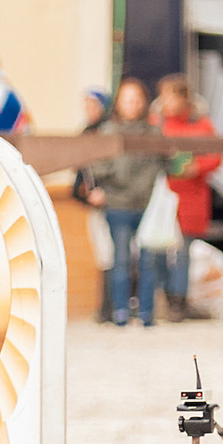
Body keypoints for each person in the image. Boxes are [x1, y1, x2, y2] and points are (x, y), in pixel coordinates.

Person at [86, 75, 167, 327]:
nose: (132, 104)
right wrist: (104, 189)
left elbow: (165, 164)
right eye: (127, 99)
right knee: (120, 260)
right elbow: (97, 166)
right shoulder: (107, 132)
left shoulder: (154, 133)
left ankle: (146, 312)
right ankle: (120, 311)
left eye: (136, 99)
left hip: (147, 205)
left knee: (148, 261)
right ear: (119, 103)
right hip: (118, 204)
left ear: (143, 102)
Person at [155, 73, 222, 323]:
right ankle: (166, 298)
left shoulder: (201, 125)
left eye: (169, 97)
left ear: (184, 98)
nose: (165, 103)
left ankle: (179, 303)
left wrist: (197, 166)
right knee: (159, 248)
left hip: (191, 198)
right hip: (163, 198)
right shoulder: (157, 124)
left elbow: (216, 156)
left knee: (183, 252)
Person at [68, 87, 112, 325]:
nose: (89, 111)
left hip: (112, 202)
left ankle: (114, 306)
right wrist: (83, 195)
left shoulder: (109, 132)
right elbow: (80, 174)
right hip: (93, 203)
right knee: (103, 255)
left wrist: (106, 193)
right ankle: (105, 307)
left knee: (116, 255)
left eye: (93, 106)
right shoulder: (85, 134)